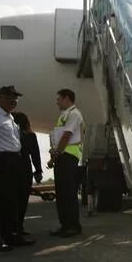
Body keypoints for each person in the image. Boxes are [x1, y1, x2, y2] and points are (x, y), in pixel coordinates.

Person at [0, 85, 34, 252]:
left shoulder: (10, 118)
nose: (14, 100)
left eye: (16, 97)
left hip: (13, 161)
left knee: (10, 202)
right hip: (0, 161)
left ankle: (11, 236)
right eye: (10, 96)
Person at [47, 89, 84, 237]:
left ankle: (72, 226)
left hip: (68, 157)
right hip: (63, 157)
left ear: (66, 98)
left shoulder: (73, 114)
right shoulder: (65, 115)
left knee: (68, 194)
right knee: (62, 194)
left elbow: (66, 135)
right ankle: (65, 225)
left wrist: (54, 155)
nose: (56, 102)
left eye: (58, 99)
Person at [12, 112, 42, 236]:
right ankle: (19, 226)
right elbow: (35, 154)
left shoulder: (10, 135)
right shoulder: (31, 135)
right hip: (25, 169)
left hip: (11, 167)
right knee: (22, 200)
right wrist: (38, 170)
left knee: (11, 199)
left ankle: (12, 227)